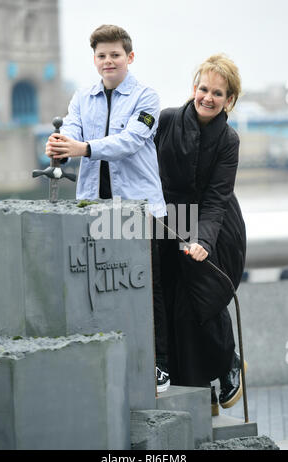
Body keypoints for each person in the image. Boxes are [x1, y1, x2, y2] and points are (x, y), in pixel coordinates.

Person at [45, 24, 170, 393]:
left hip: (140, 211)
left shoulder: (148, 98)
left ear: (129, 57)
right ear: (95, 60)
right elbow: (71, 131)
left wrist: (82, 149)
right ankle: (113, 362)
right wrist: (59, 143)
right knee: (102, 287)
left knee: (149, 290)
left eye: (115, 54)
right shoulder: (82, 97)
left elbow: (131, 141)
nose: (108, 61)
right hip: (95, 210)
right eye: (101, 55)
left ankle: (159, 363)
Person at [155, 54, 247, 415]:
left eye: (218, 93)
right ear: (194, 88)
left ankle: (228, 363)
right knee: (172, 307)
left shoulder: (229, 140)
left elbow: (216, 198)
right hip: (169, 220)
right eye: (204, 88)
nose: (208, 97)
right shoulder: (165, 120)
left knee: (202, 296)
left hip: (217, 226)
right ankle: (199, 392)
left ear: (229, 100)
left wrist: (203, 242)